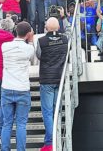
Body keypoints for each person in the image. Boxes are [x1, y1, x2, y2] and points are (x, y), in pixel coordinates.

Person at [0, 21, 34, 151]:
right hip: (22, 89)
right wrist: (30, 40)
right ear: (28, 34)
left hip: (7, 87)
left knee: (7, 124)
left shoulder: (4, 46)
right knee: (21, 124)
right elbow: (32, 56)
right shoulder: (29, 48)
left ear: (16, 31)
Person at [36, 17, 68, 151]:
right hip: (60, 79)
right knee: (55, 111)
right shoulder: (65, 39)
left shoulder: (41, 40)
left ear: (46, 28)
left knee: (47, 112)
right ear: (58, 27)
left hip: (47, 80)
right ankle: (52, 140)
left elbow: (38, 55)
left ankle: (50, 142)